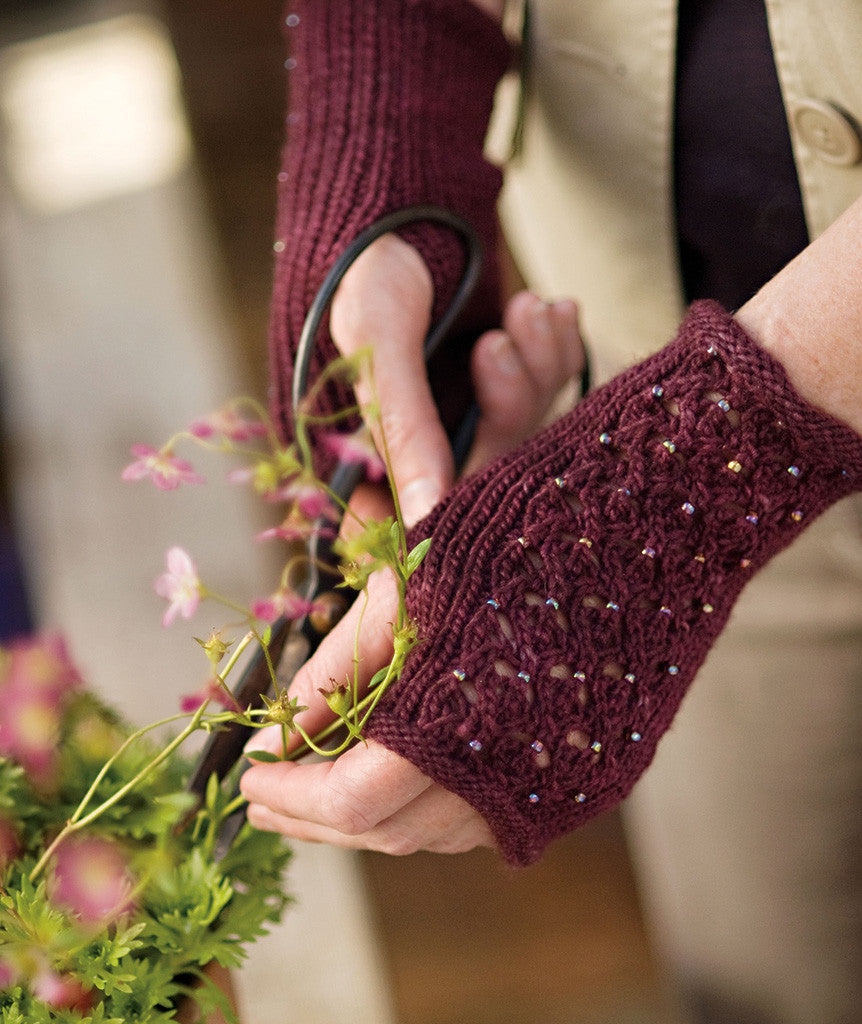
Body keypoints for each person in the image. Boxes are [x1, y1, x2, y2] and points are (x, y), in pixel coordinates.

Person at [241, 2, 862, 1021]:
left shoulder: (649, 505)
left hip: (678, 481)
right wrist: (380, 133)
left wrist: (658, 497)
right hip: (691, 483)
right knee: (781, 973)